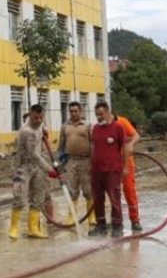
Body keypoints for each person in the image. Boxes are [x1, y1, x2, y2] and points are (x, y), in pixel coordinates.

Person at [9, 104, 58, 240]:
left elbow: (41, 133)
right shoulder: (27, 131)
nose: (38, 120)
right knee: (19, 197)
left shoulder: (40, 127)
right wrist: (50, 170)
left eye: (41, 117)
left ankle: (33, 229)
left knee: (38, 197)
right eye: (35, 117)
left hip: (37, 168)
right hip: (23, 167)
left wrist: (43, 132)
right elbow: (34, 155)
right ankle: (13, 228)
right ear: (30, 115)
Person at [89, 101, 131, 238]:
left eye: (101, 114)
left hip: (112, 170)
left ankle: (117, 225)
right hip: (96, 171)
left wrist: (125, 167)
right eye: (97, 115)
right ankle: (101, 225)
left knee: (114, 198)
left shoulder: (118, 128)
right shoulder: (95, 128)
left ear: (107, 112)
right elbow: (93, 148)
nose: (99, 117)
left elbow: (125, 148)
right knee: (97, 199)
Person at [56, 101, 93, 225]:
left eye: (75, 111)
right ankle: (71, 216)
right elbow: (61, 145)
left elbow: (93, 144)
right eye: (71, 111)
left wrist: (94, 161)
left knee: (88, 190)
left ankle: (91, 216)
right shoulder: (65, 126)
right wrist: (59, 162)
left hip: (86, 161)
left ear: (80, 111)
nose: (73, 113)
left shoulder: (88, 125)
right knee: (72, 190)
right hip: (71, 161)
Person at [114, 113, 143, 231]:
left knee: (129, 190)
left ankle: (135, 220)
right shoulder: (102, 125)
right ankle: (117, 222)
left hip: (126, 161)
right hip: (112, 163)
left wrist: (130, 144)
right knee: (113, 193)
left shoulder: (122, 121)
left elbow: (136, 135)